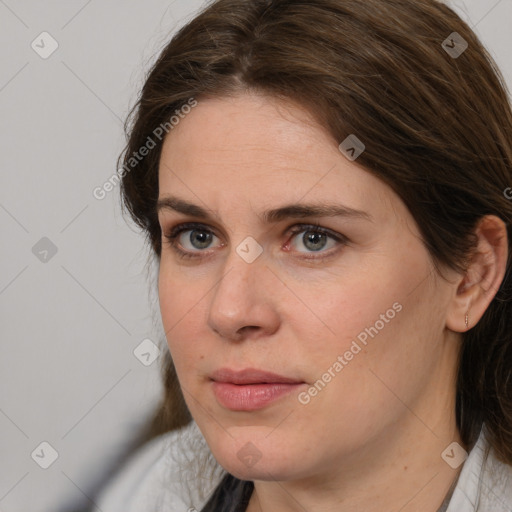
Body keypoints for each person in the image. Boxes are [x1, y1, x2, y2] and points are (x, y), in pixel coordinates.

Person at [95, 0, 512, 510]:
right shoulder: (136, 493)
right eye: (197, 236)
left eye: (314, 238)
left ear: (473, 274)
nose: (229, 312)